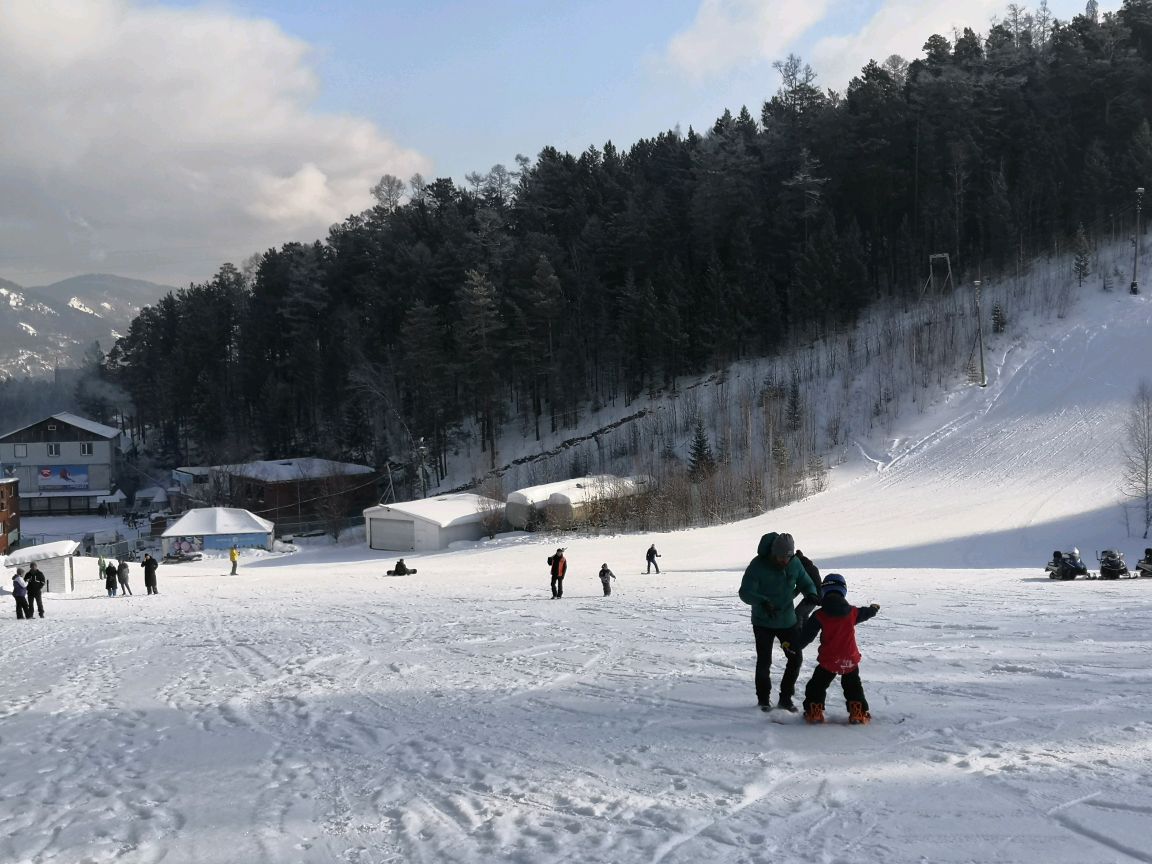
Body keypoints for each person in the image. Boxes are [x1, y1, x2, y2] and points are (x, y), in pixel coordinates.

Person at [738, 531, 820, 712]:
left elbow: (805, 582)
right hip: (763, 622)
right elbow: (745, 592)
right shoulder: (757, 566)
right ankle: (763, 700)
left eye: (788, 557)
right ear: (773, 554)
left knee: (795, 658)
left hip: (787, 621)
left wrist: (811, 593)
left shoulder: (794, 563)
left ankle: (785, 699)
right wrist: (762, 602)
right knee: (764, 661)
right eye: (781, 557)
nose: (785, 561)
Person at [792, 573, 880, 725]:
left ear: (824, 591)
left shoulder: (819, 615)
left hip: (829, 660)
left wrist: (794, 646)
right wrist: (873, 609)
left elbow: (807, 636)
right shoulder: (852, 612)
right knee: (853, 686)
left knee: (817, 686)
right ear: (843, 591)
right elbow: (865, 613)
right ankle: (857, 712)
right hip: (849, 659)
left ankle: (815, 711)